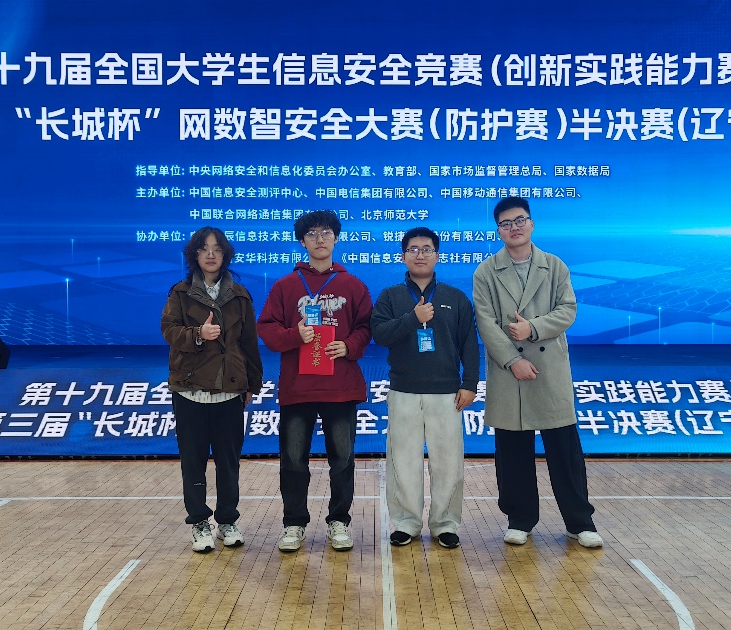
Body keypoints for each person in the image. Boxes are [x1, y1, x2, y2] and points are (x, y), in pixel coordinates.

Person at [472, 197, 604, 549]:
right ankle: (520, 519)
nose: (514, 228)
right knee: (512, 451)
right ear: (498, 230)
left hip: (548, 369)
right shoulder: (486, 271)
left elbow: (568, 310)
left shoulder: (554, 266)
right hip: (509, 371)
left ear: (531, 224)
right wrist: (512, 360)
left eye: (520, 220)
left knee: (565, 450)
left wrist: (532, 328)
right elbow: (485, 322)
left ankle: (580, 521)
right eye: (506, 223)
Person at [257, 210, 373, 552]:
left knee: (343, 459)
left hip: (340, 387)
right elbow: (267, 329)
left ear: (336, 238)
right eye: (311, 234)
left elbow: (367, 327)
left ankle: (339, 521)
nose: (319, 239)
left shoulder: (353, 285)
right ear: (302, 241)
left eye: (326, 233)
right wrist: (295, 335)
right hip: (298, 388)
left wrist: (348, 345)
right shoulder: (285, 286)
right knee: (293, 460)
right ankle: (294, 523)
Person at [371, 227, 479, 549]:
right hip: (404, 390)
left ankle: (445, 524)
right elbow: (380, 334)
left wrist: (470, 383)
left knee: (448, 462)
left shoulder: (455, 298)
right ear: (403, 256)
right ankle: (406, 523)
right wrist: (412, 318)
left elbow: (469, 344)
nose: (420, 255)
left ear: (437, 255)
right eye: (414, 249)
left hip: (447, 393)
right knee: (403, 461)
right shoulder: (390, 296)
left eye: (427, 249)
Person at [161, 227, 263, 553]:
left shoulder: (240, 296)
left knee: (228, 462)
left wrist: (252, 383)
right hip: (189, 390)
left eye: (216, 249)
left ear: (225, 255)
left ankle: (228, 520)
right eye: (204, 249)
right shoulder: (180, 293)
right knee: (193, 462)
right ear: (194, 255)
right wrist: (197, 334)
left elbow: (249, 344)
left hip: (229, 391)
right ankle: (199, 523)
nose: (210, 254)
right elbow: (169, 331)